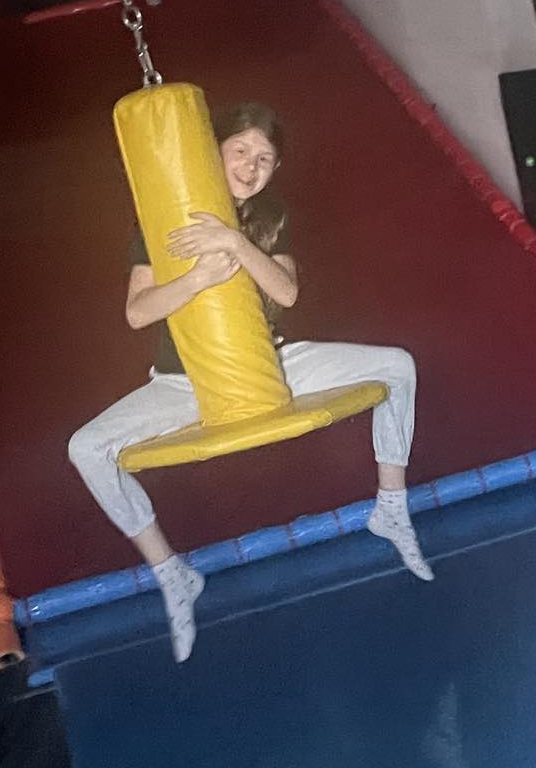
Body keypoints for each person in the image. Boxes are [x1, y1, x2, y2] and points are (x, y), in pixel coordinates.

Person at [68, 101, 433, 664]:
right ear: (211, 152)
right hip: (182, 383)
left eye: (264, 158)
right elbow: (138, 313)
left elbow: (287, 293)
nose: (250, 165)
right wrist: (198, 278)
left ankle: (390, 507)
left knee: (397, 366)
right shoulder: (161, 221)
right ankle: (171, 573)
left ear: (275, 168)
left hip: (275, 363)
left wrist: (236, 244)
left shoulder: (271, 214)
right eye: (239, 150)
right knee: (86, 448)